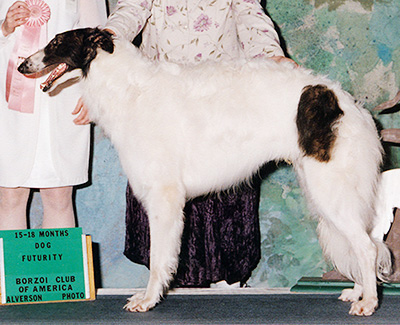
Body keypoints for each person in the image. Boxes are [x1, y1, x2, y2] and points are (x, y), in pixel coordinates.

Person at [106, 0, 296, 287]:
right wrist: (102, 41)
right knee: (161, 198)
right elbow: (131, 10)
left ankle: (228, 285)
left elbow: (249, 14)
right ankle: (162, 283)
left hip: (222, 98)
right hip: (159, 103)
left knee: (227, 192)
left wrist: (273, 57)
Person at [0, 0, 107, 230]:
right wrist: (4, 28)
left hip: (64, 98)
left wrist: (95, 94)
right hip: (9, 106)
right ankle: (10, 268)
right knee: (10, 198)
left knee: (59, 198)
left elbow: (98, 40)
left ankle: (63, 268)